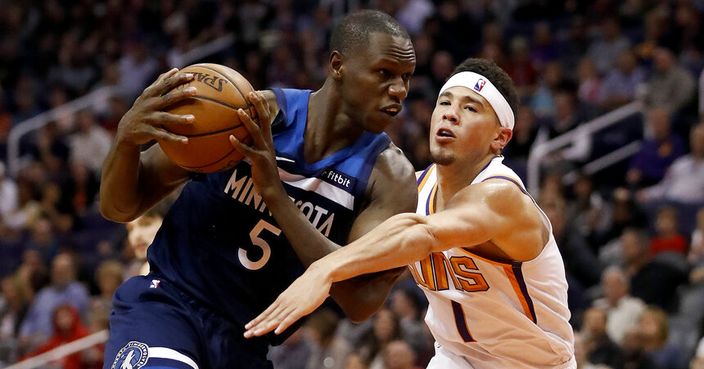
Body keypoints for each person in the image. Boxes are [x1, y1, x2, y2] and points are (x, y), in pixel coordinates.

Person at [99, 9, 417, 369]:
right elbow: (120, 207)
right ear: (337, 65)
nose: (399, 90)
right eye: (384, 74)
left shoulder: (390, 178)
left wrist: (276, 196)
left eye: (406, 77)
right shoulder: (248, 115)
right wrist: (126, 141)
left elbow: (360, 302)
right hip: (170, 306)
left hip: (246, 346)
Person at [244, 58, 576, 368]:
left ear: (499, 138)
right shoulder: (412, 189)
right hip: (455, 357)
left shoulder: (502, 196)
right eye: (444, 102)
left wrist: (324, 269)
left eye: (470, 108)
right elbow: (352, 248)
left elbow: (422, 234)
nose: (450, 114)